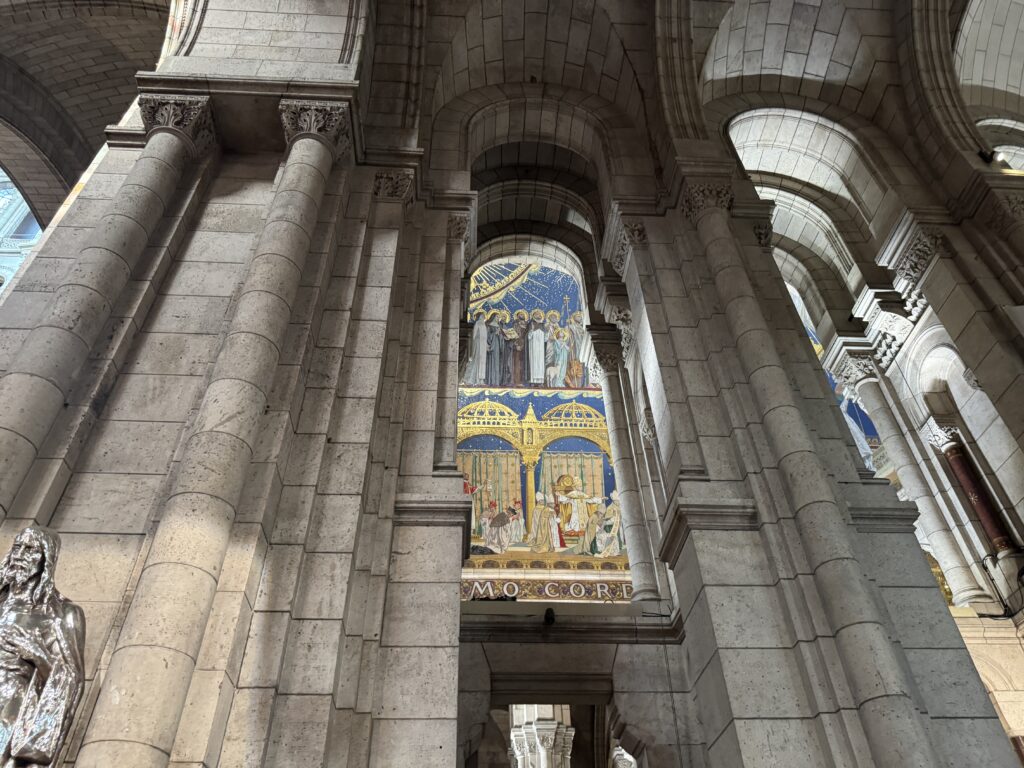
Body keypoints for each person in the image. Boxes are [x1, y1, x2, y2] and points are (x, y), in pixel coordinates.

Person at [0, 526, 85, 767]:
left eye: (30, 550)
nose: (19, 556)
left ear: (46, 559)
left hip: (10, 703)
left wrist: (35, 654)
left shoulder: (61, 613)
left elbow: (70, 678)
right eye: (17, 547)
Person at [596, 490, 624, 557]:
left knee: (619, 538)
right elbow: (606, 519)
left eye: (618, 501)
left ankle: (617, 550)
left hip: (618, 526)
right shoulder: (610, 508)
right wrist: (613, 520)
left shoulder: (620, 506)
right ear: (614, 501)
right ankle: (613, 551)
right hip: (610, 527)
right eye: (617, 501)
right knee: (614, 538)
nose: (618, 502)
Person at [464, 309, 488, 385]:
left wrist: (486, 345)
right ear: (479, 316)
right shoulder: (478, 323)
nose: (484, 316)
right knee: (476, 360)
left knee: (482, 362)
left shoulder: (484, 324)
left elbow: (485, 336)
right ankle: (473, 379)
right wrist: (474, 344)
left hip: (483, 345)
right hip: (478, 344)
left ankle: (481, 379)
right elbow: (474, 335)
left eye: (484, 315)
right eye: (482, 315)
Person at [527, 309, 546, 386]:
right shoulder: (531, 324)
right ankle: (533, 380)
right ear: (533, 316)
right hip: (533, 347)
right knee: (534, 362)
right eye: (536, 314)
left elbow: (545, 339)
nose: (538, 315)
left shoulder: (543, 325)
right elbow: (528, 337)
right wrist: (531, 330)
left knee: (540, 363)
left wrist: (547, 334)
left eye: (539, 314)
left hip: (541, 348)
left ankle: (540, 381)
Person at [486, 311, 504, 387]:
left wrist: (500, 335)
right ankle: (492, 381)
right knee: (492, 362)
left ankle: (497, 381)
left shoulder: (499, 326)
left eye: (498, 317)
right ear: (493, 317)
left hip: (498, 346)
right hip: (493, 346)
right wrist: (495, 334)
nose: (498, 318)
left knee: (497, 363)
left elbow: (501, 336)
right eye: (497, 317)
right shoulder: (489, 326)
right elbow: (487, 337)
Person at [512, 310, 529, 387]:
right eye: (520, 314)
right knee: (517, 363)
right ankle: (517, 380)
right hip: (518, 344)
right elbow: (514, 334)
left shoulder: (527, 324)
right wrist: (516, 343)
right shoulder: (516, 323)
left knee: (524, 363)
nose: (522, 315)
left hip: (526, 345)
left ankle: (524, 381)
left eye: (523, 314)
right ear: (517, 316)